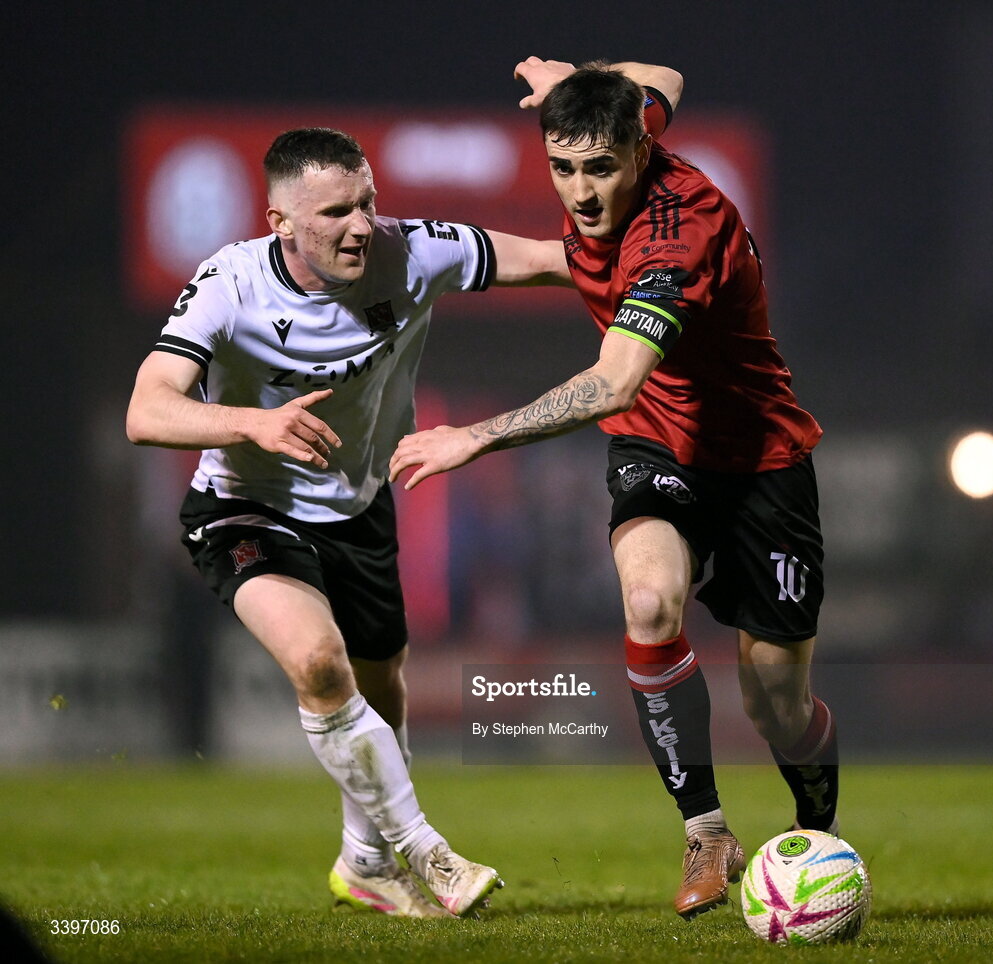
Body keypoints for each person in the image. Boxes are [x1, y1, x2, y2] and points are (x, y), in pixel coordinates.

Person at [390, 58, 840, 919]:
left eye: (600, 167)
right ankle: (706, 829)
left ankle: (819, 831)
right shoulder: (630, 121)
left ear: (642, 150)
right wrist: (575, 78)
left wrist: (473, 437)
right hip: (656, 448)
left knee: (778, 702)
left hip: (760, 463)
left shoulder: (678, 235)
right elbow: (659, 70)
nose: (582, 192)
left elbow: (612, 384)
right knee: (648, 604)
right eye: (564, 167)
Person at [126, 126, 571, 918]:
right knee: (320, 664)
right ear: (280, 223)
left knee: (379, 686)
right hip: (245, 506)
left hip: (359, 508)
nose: (362, 224)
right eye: (335, 211)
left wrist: (661, 268)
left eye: (368, 201)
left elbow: (548, 258)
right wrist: (249, 424)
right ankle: (427, 853)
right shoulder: (228, 283)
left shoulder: (415, 251)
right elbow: (146, 408)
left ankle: (363, 861)